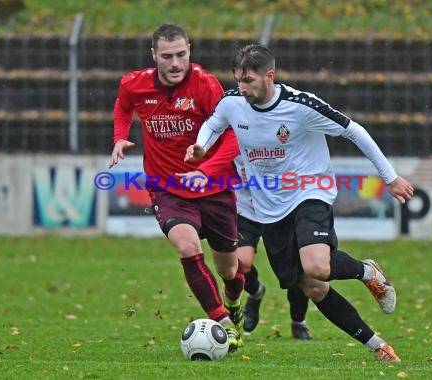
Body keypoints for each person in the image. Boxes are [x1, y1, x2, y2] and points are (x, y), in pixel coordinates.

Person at [184, 44, 415, 362]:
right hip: (269, 207)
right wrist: (199, 145)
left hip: (310, 191)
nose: (241, 87)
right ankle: (378, 346)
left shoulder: (300, 105)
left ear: (269, 76)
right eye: (238, 79)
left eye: (248, 80)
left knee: (317, 265)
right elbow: (213, 123)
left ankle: (367, 272)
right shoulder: (232, 102)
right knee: (312, 286)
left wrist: (389, 178)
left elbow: (354, 131)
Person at [108, 23, 245, 350]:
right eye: (167, 56)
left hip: (215, 186)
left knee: (230, 269)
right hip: (167, 187)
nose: (174, 63)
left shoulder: (206, 85)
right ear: (153, 54)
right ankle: (223, 322)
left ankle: (235, 300)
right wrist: (119, 136)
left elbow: (233, 138)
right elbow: (123, 105)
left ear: (190, 51)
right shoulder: (134, 84)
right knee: (187, 247)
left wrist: (205, 169)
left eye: (181, 55)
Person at [235, 156, 312, 340]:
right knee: (240, 263)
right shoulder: (231, 130)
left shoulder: (280, 131)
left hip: (282, 208)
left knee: (296, 268)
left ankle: (298, 322)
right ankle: (255, 292)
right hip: (245, 208)